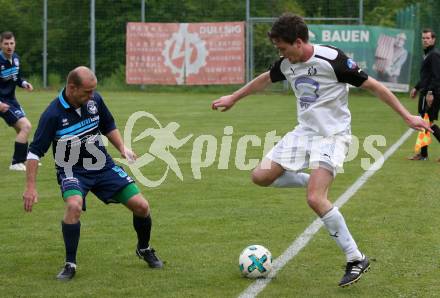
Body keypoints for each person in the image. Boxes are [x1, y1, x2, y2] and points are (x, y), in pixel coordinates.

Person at [211, 13, 430, 287]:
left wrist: (407, 116)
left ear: (299, 42)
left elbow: (374, 86)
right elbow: (264, 79)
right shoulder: (287, 63)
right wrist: (233, 97)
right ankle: (311, 180)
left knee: (315, 199)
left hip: (333, 136)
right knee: (260, 176)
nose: (281, 55)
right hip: (303, 133)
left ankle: (355, 258)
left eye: (283, 48)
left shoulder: (332, 59)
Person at [22, 66, 163, 281]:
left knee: (142, 206)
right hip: (72, 171)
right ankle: (70, 264)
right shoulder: (52, 114)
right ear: (71, 88)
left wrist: (122, 148)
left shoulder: (94, 101)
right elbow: (34, 152)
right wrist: (30, 187)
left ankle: (144, 248)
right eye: (87, 91)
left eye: (93, 91)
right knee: (73, 205)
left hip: (103, 166)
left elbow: (108, 125)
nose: (92, 96)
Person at [0, 31, 34, 171]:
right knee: (26, 126)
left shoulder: (16, 59)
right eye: (6, 43)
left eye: (11, 43)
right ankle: (16, 162)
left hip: (11, 100)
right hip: (2, 102)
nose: (9, 46)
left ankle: (24, 158)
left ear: (15, 44)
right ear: (1, 45)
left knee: (22, 128)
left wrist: (24, 83)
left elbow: (17, 78)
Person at [408, 28, 440, 161]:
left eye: (428, 38)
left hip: (430, 94)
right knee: (425, 123)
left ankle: (423, 154)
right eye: (423, 38)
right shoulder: (427, 54)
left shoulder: (434, 55)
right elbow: (426, 76)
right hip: (425, 92)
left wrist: (431, 93)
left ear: (433, 39)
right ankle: (423, 154)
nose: (425, 40)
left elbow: (436, 76)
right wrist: (416, 87)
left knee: (428, 123)